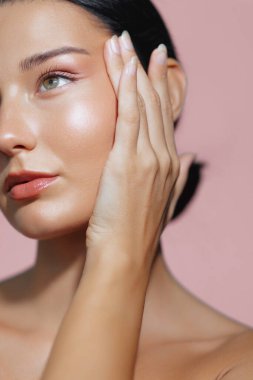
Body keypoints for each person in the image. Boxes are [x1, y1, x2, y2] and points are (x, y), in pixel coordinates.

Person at [0, 0, 252, 379]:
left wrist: (118, 256)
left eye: (53, 80)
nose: (6, 134)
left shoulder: (235, 365)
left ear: (163, 91)